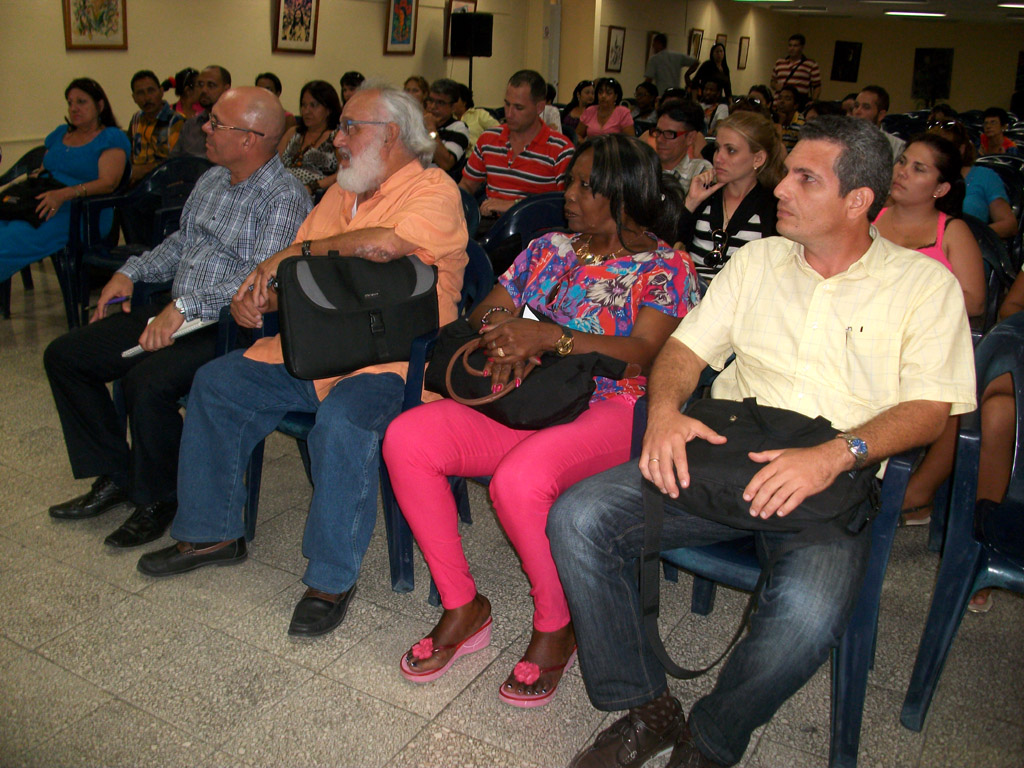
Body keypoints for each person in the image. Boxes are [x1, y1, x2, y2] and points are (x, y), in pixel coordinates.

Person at [549, 115, 976, 768]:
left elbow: (929, 410)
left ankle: (712, 738)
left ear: (858, 200)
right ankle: (647, 707)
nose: (781, 189)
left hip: (829, 476)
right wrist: (664, 411)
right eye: (787, 173)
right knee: (579, 518)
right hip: (727, 450)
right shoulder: (759, 261)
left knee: (806, 616)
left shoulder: (924, 287)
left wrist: (837, 454)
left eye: (806, 179)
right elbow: (685, 350)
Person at [135, 83, 469, 640]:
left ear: (390, 136)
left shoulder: (434, 190)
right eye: (338, 128)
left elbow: (383, 245)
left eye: (348, 127)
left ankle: (331, 579)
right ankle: (213, 532)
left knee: (344, 421)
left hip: (391, 360)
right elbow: (298, 278)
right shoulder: (343, 192)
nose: (336, 139)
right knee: (217, 383)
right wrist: (260, 296)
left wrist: (293, 255)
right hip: (316, 347)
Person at [383, 134, 699, 707]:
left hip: (612, 405)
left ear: (625, 194)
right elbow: (489, 309)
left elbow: (646, 351)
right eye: (570, 181)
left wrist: (552, 337)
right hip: (526, 396)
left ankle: (557, 623)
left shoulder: (667, 267)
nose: (569, 194)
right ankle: (464, 606)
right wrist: (511, 339)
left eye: (585, 185)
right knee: (407, 438)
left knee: (519, 482)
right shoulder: (549, 246)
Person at [44, 87, 310, 548]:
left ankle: (159, 497)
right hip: (176, 309)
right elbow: (181, 246)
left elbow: (259, 286)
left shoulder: (284, 199)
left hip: (229, 327)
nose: (204, 128)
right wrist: (131, 272)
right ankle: (117, 474)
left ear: (250, 138)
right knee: (66, 356)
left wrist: (185, 308)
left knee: (146, 381)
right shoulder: (212, 179)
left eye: (216, 123)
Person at [0, 78, 130, 284]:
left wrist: (63, 194)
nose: (74, 108)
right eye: (70, 103)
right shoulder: (61, 133)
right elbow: (48, 166)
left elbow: (108, 183)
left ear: (100, 105)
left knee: (11, 240)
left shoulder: (111, 137)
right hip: (43, 201)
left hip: (81, 211)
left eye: (81, 102)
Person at [873, 134, 985, 317]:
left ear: (940, 189)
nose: (902, 172)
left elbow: (974, 303)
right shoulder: (869, 218)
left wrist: (908, 299)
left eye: (918, 169)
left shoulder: (953, 232)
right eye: (902, 161)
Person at [679, 111, 784, 280]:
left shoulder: (773, 207)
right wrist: (690, 203)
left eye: (731, 150)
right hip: (691, 294)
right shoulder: (705, 196)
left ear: (758, 159)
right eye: (717, 149)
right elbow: (665, 247)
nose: (718, 158)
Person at [460, 69, 573, 222]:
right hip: (491, 227)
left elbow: (567, 204)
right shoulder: (488, 139)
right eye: (507, 105)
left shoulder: (561, 149)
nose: (509, 114)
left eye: (519, 108)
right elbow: (466, 186)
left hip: (534, 231)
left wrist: (513, 206)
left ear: (539, 108)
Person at [931, 120, 1019, 239]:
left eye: (943, 149)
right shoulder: (923, 177)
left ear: (961, 149)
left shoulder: (985, 176)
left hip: (970, 244)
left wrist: (967, 237)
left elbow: (1009, 225)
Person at [277, 80, 342, 198]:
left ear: (329, 109)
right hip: (283, 191)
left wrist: (313, 187)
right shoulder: (293, 132)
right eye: (303, 105)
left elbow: (343, 174)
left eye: (313, 105)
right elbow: (274, 164)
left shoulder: (338, 137)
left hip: (316, 196)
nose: (306, 111)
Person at [126, 69, 185, 184]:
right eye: (140, 93)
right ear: (134, 98)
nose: (147, 98)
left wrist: (144, 170)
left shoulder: (176, 120)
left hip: (164, 184)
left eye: (151, 91)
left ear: (161, 92)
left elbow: (176, 162)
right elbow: (129, 153)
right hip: (137, 185)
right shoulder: (136, 119)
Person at [170, 65, 231, 158]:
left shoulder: (237, 125)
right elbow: (174, 162)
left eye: (211, 85)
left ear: (226, 89)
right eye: (200, 85)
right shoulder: (190, 126)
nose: (204, 90)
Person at [652, 99, 712, 191]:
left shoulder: (700, 172)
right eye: (658, 132)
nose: (659, 139)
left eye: (670, 134)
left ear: (690, 138)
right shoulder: (643, 168)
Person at [425, 78, 471, 174]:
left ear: (453, 107)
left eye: (440, 103)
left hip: (440, 184)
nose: (433, 107)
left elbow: (446, 163)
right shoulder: (419, 125)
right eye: (430, 101)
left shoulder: (459, 128)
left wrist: (431, 130)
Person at [852, 85, 905, 161]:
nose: (857, 111)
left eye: (866, 107)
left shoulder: (897, 147)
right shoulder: (841, 140)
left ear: (881, 115)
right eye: (856, 106)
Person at [770, 33, 821, 101]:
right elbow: (772, 81)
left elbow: (817, 86)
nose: (792, 48)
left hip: (798, 104)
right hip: (778, 103)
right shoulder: (779, 62)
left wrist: (813, 102)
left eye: (795, 46)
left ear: (802, 47)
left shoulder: (810, 64)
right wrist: (776, 86)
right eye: (790, 45)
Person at [452, 83, 499, 149]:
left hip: (476, 155)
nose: (451, 103)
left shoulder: (479, 114)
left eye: (454, 100)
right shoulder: (448, 119)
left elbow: (500, 131)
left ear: (464, 101)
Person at [774, 84, 806, 151]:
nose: (782, 102)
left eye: (787, 99)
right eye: (779, 98)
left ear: (795, 105)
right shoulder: (772, 119)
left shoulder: (802, 125)